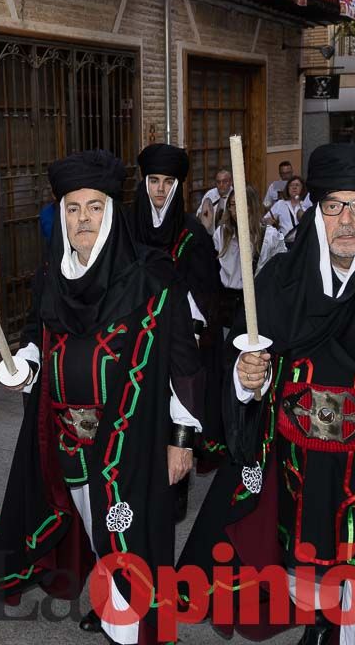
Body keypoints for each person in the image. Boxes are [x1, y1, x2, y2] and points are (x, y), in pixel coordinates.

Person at [178, 144, 355, 645]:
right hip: (302, 484)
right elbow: (250, 386)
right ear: (317, 214)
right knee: (318, 597)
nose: (347, 221)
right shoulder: (277, 286)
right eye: (334, 206)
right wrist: (246, 383)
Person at [0, 150, 204, 645]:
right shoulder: (50, 274)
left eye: (94, 207)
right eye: (72, 208)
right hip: (69, 440)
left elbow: (183, 365)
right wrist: (24, 367)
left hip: (133, 443)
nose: (83, 218)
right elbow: (36, 339)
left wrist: (182, 439)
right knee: (92, 528)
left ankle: (127, 625)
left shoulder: (153, 275)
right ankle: (112, 607)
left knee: (125, 539)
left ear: (112, 211)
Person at [132, 143, 223, 492]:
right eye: (153, 180)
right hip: (134, 338)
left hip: (178, 339)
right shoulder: (125, 226)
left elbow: (204, 291)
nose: (159, 189)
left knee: (174, 416)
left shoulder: (192, 233)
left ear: (177, 185)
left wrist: (196, 332)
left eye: (167, 182)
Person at [214, 185, 286, 334]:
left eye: (241, 203)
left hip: (257, 301)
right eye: (232, 204)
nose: (235, 209)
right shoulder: (221, 234)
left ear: (251, 206)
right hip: (227, 302)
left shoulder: (270, 236)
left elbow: (282, 270)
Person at [266, 175, 311, 245]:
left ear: (302, 188)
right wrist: (268, 221)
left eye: (297, 185)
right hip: (284, 244)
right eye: (291, 185)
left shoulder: (307, 205)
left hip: (302, 244)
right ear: (287, 188)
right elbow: (264, 220)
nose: (294, 187)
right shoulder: (280, 204)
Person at [197, 167, 233, 231]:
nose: (221, 185)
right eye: (218, 182)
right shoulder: (210, 194)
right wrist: (205, 217)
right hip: (210, 234)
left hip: (228, 235)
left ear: (230, 182)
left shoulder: (235, 196)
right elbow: (199, 213)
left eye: (224, 181)